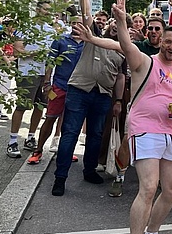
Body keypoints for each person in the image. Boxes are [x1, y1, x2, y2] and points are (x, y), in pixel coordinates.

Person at [111, 0, 172, 234]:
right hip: (145, 129)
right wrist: (122, 19)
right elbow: (126, 44)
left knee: (171, 190)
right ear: (161, 41)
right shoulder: (145, 62)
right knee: (148, 188)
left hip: (171, 131)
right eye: (167, 41)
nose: (171, 46)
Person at [51, 10, 126, 196]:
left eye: (121, 25)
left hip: (103, 95)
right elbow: (86, 14)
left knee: (96, 135)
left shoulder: (123, 50)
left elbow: (120, 78)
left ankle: (89, 171)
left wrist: (118, 100)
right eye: (113, 23)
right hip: (79, 91)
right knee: (70, 134)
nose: (116, 27)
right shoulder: (93, 36)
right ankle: (60, 178)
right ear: (109, 25)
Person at [26, 16, 85, 165]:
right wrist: (47, 83)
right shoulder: (60, 40)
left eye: (79, 23)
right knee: (50, 117)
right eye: (73, 23)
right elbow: (50, 62)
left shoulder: (89, 43)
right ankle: (38, 150)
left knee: (70, 122)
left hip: (79, 88)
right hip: (60, 85)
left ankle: (65, 150)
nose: (76, 26)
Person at [8, 1, 55, 158]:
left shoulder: (50, 30)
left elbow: (53, 54)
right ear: (37, 10)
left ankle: (30, 137)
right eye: (45, 10)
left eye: (50, 10)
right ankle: (12, 141)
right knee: (22, 106)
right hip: (27, 72)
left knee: (40, 106)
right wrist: (37, 53)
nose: (47, 13)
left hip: (45, 74)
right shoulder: (25, 28)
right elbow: (18, 51)